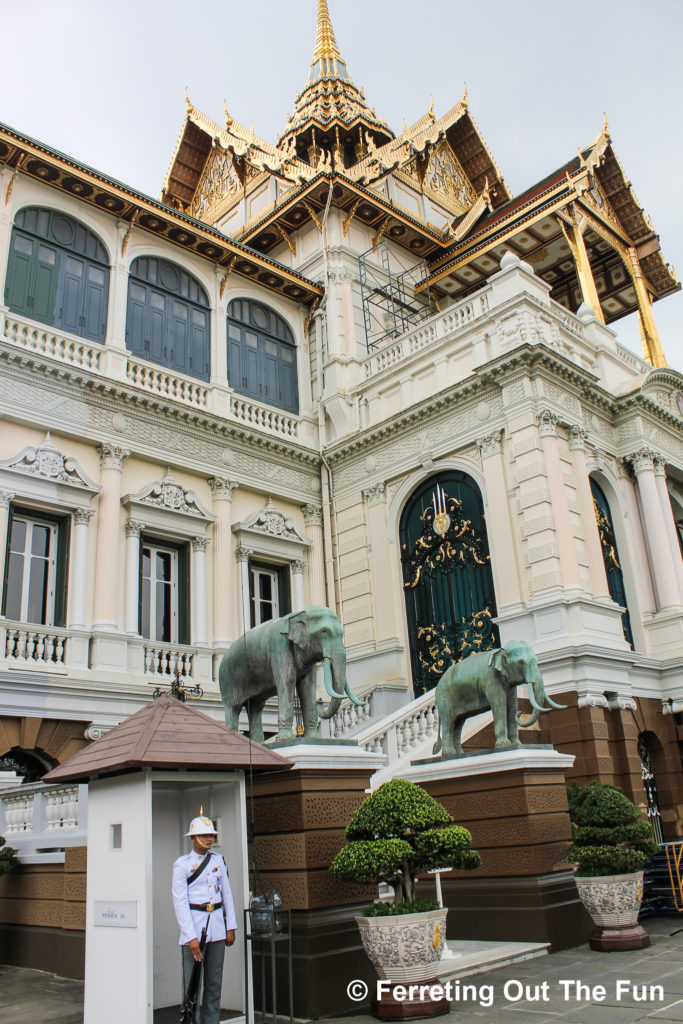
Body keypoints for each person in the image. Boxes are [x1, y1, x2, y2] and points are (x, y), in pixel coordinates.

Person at [172, 811, 237, 1024]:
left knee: (213, 984)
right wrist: (190, 937)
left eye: (211, 834)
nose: (209, 838)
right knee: (193, 987)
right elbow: (180, 903)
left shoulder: (218, 860)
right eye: (204, 834)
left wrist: (230, 926)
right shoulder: (182, 865)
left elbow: (226, 895)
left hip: (216, 926)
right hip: (195, 927)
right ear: (193, 837)